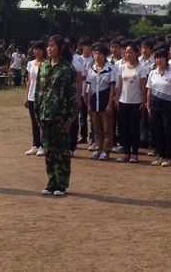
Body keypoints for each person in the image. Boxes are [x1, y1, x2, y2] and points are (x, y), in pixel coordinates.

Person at [34, 35, 78, 196]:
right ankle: (51, 181)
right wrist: (37, 113)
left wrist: (71, 118)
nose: (49, 49)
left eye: (52, 46)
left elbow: (72, 95)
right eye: (48, 46)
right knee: (49, 150)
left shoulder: (67, 69)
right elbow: (38, 90)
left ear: (60, 48)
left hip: (60, 116)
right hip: (45, 115)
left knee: (62, 151)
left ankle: (62, 183)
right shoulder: (44, 66)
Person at [146, 48, 171, 167]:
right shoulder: (152, 73)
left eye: (161, 57)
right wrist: (148, 105)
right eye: (157, 57)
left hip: (167, 106)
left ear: (166, 59)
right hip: (155, 106)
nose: (158, 60)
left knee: (167, 131)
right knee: (157, 131)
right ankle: (160, 155)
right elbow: (149, 90)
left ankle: (168, 157)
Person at [115, 42, 147, 163]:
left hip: (136, 102)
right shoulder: (122, 67)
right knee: (125, 128)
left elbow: (144, 87)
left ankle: (134, 153)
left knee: (134, 128)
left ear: (136, 53)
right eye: (126, 52)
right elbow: (120, 85)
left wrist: (143, 101)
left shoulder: (142, 68)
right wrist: (117, 99)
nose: (127, 54)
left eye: (130, 52)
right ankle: (126, 152)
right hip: (123, 101)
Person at [85, 44, 116, 161]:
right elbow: (89, 88)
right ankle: (99, 147)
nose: (97, 56)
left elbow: (112, 87)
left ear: (105, 56)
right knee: (96, 128)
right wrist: (88, 104)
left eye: (100, 54)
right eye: (96, 53)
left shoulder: (110, 69)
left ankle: (106, 150)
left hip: (104, 102)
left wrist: (110, 104)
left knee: (107, 128)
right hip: (94, 102)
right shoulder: (91, 69)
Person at [25, 41, 46, 157]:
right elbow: (29, 81)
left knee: (42, 122)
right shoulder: (30, 64)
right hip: (31, 96)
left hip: (42, 97)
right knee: (34, 122)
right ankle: (35, 145)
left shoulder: (47, 64)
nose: (36, 51)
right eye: (35, 49)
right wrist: (26, 97)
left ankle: (43, 145)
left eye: (39, 49)